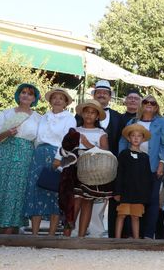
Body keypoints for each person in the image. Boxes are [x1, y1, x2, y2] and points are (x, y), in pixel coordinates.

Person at [0, 83, 42, 234]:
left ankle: (10, 231)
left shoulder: (38, 118)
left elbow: (38, 142)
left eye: (30, 94)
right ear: (18, 95)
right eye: (23, 92)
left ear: (34, 98)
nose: (26, 96)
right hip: (4, 153)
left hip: (25, 156)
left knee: (17, 190)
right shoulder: (6, 113)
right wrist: (7, 133)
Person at [24, 87, 76, 235]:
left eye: (61, 98)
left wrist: (59, 159)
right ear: (50, 101)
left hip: (57, 155)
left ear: (65, 102)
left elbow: (69, 140)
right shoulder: (44, 116)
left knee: (54, 193)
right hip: (39, 155)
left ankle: (51, 234)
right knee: (36, 191)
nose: (57, 100)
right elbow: (37, 138)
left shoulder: (69, 118)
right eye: (55, 97)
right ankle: (34, 234)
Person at [54, 99, 110, 237]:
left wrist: (88, 144)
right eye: (86, 112)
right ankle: (66, 234)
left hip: (92, 170)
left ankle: (81, 235)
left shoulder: (101, 133)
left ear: (97, 116)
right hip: (75, 169)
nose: (89, 115)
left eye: (92, 113)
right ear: (82, 114)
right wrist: (59, 160)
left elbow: (106, 152)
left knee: (88, 202)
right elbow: (66, 148)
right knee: (73, 202)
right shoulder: (75, 131)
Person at [118, 94, 164, 239]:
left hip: (153, 166)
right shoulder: (132, 121)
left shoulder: (161, 123)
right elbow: (123, 142)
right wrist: (123, 158)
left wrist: (162, 163)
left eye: (153, 103)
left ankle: (148, 234)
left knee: (153, 200)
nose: (149, 104)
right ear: (142, 104)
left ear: (156, 107)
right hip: (133, 167)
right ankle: (133, 235)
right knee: (133, 199)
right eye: (146, 101)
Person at [77, 80, 121, 238]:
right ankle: (77, 231)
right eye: (98, 92)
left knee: (101, 199)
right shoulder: (78, 119)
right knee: (79, 198)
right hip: (81, 165)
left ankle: (97, 232)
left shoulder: (118, 117)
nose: (102, 95)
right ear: (94, 94)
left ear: (110, 96)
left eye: (105, 92)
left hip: (107, 165)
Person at [115, 124, 153, 239]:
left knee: (135, 216)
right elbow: (119, 173)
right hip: (125, 191)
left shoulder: (145, 157)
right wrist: (117, 192)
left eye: (139, 136)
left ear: (142, 139)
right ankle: (116, 239)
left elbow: (147, 178)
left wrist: (146, 194)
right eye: (133, 136)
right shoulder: (124, 154)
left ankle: (136, 240)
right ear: (129, 138)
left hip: (139, 192)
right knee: (121, 214)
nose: (136, 138)